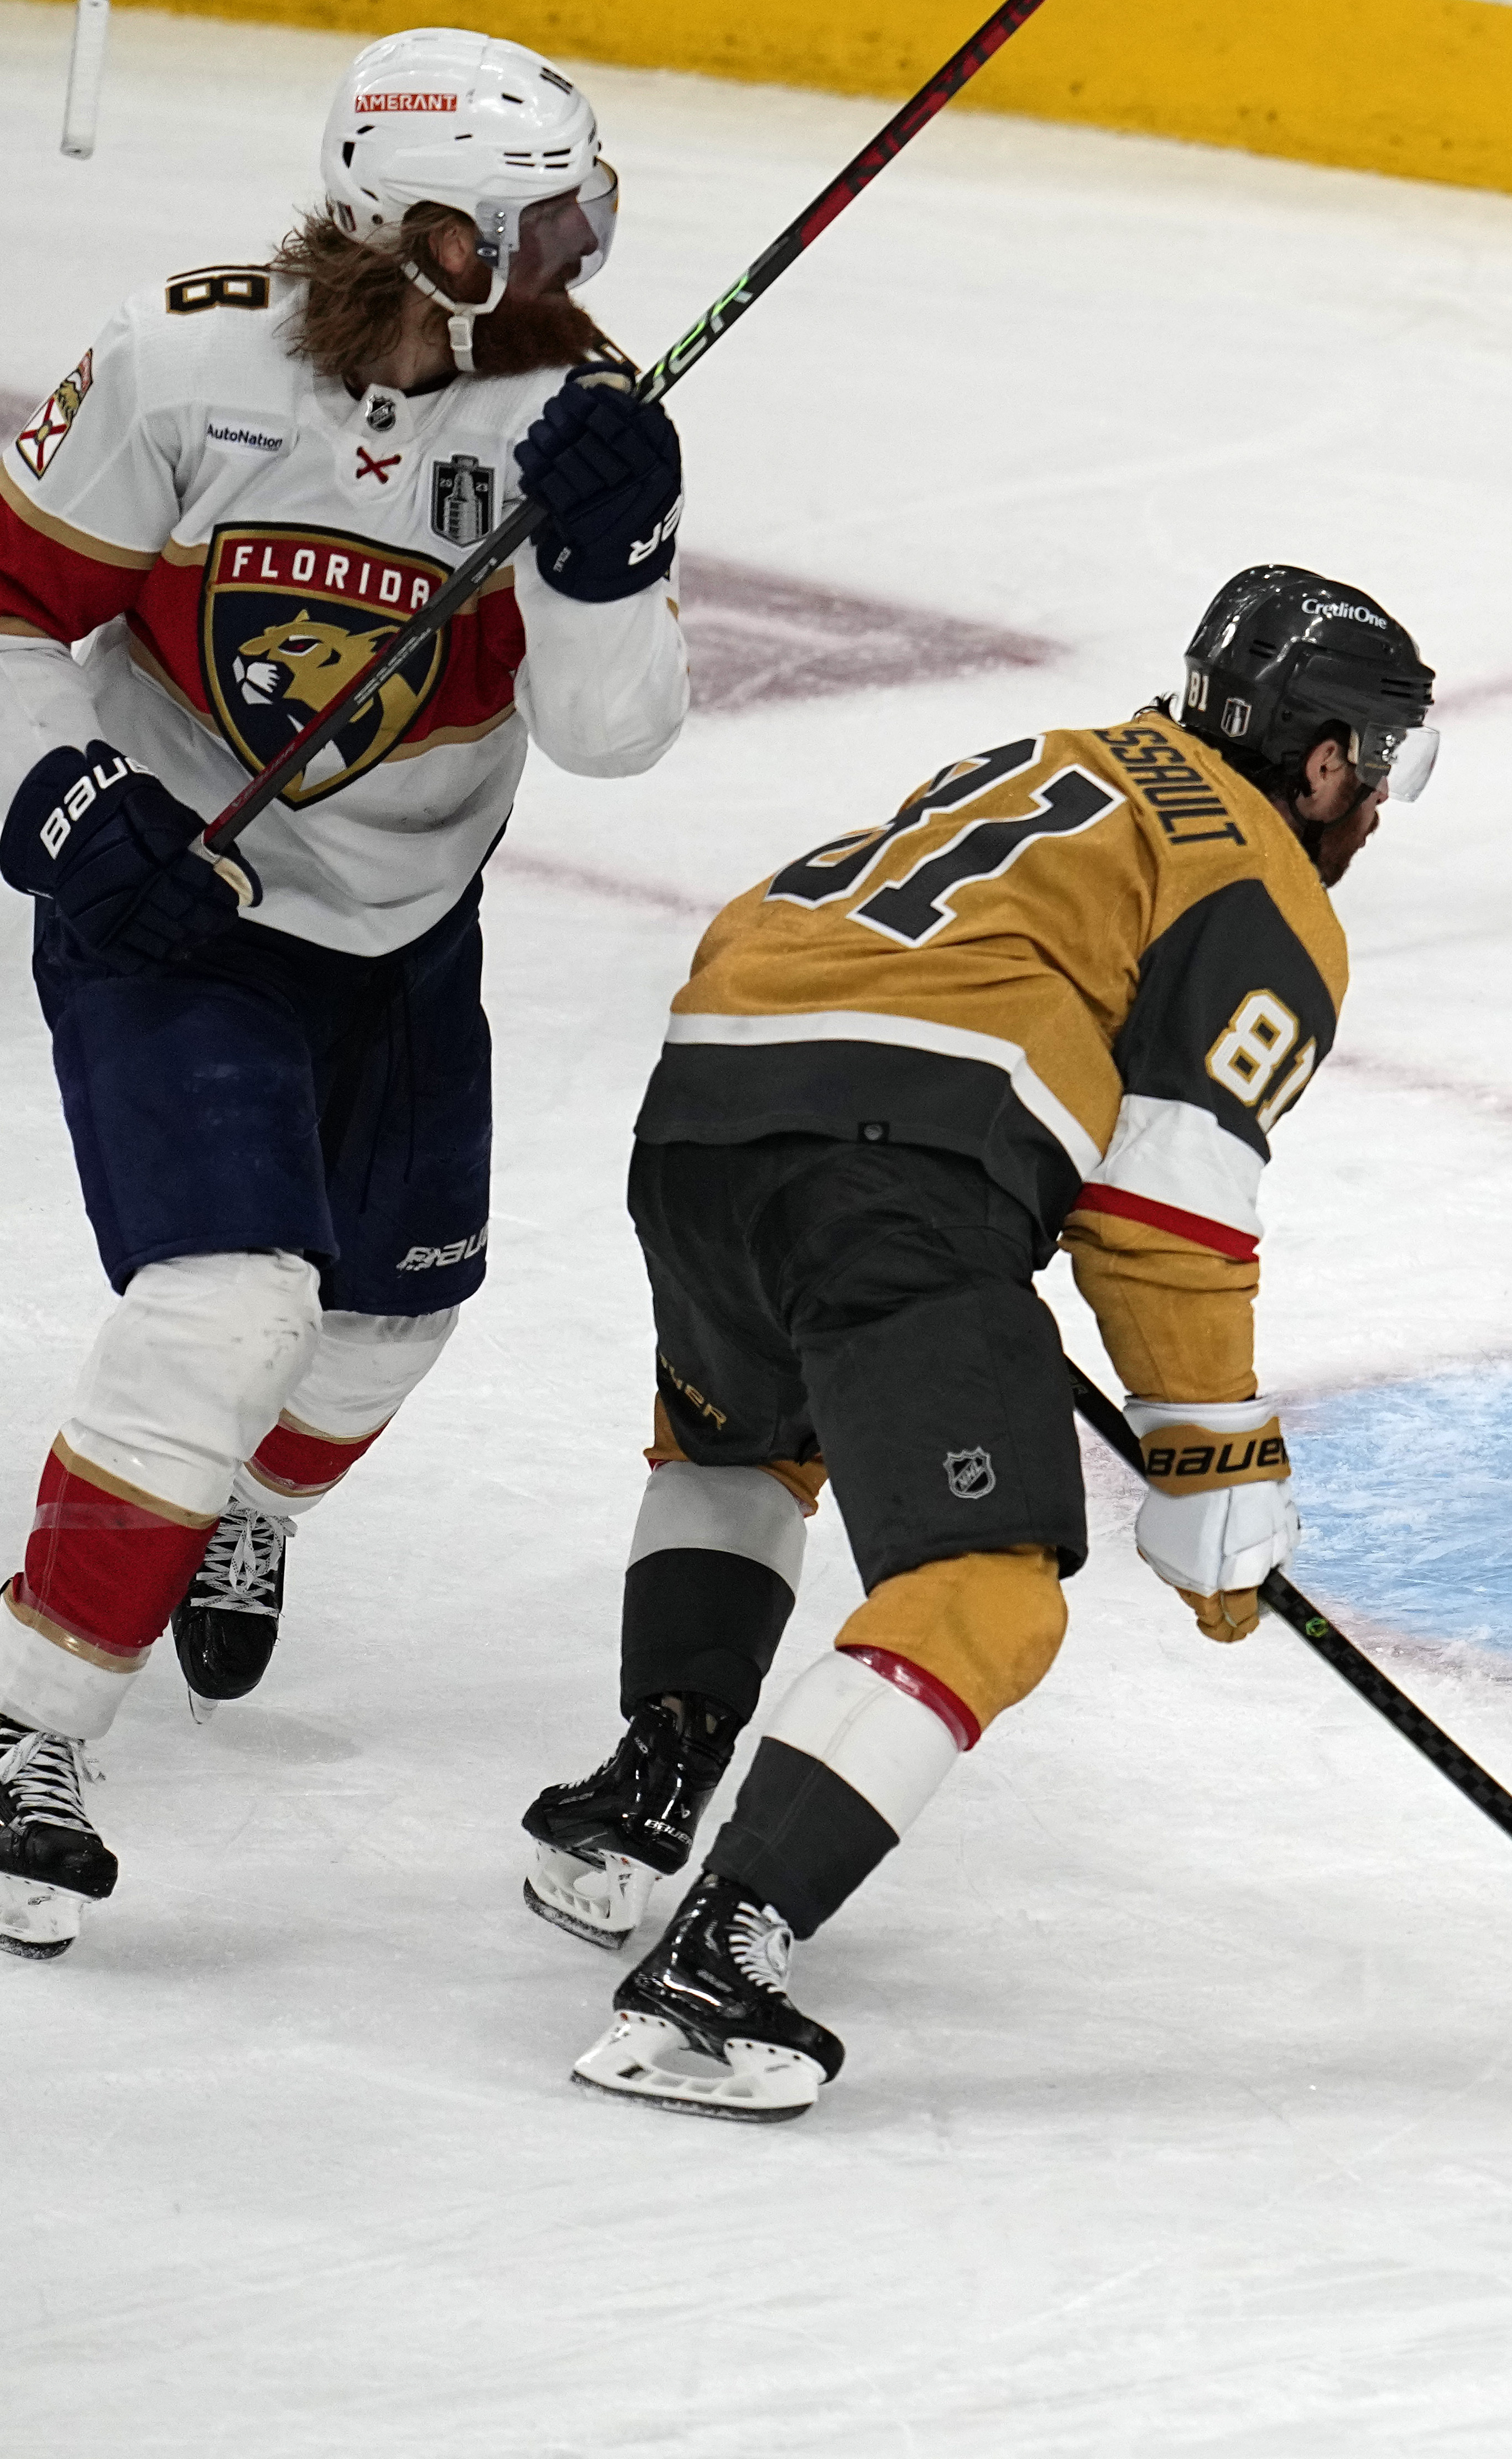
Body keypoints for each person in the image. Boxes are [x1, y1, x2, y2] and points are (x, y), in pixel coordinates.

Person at [524, 564, 1432, 2121]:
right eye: (1381, 763)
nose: (1379, 808)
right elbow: (1169, 1203)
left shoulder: (1051, 760)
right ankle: (717, 1959)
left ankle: (639, 1789)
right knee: (988, 1585)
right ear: (1326, 754)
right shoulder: (1263, 887)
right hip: (892, 1159)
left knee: (743, 1437)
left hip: (704, 1109)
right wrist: (1210, 1456)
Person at [0, 29, 687, 1957]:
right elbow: (10, 609)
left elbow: (610, 733)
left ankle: (255, 1515)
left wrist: (614, 557)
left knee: (391, 1317)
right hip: (174, 903)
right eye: (537, 224)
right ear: (421, 230)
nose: (576, 259)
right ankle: (24, 1725)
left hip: (406, 930)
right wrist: (62, 801)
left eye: (584, 214)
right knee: (227, 1307)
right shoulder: (178, 365)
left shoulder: (579, 407)